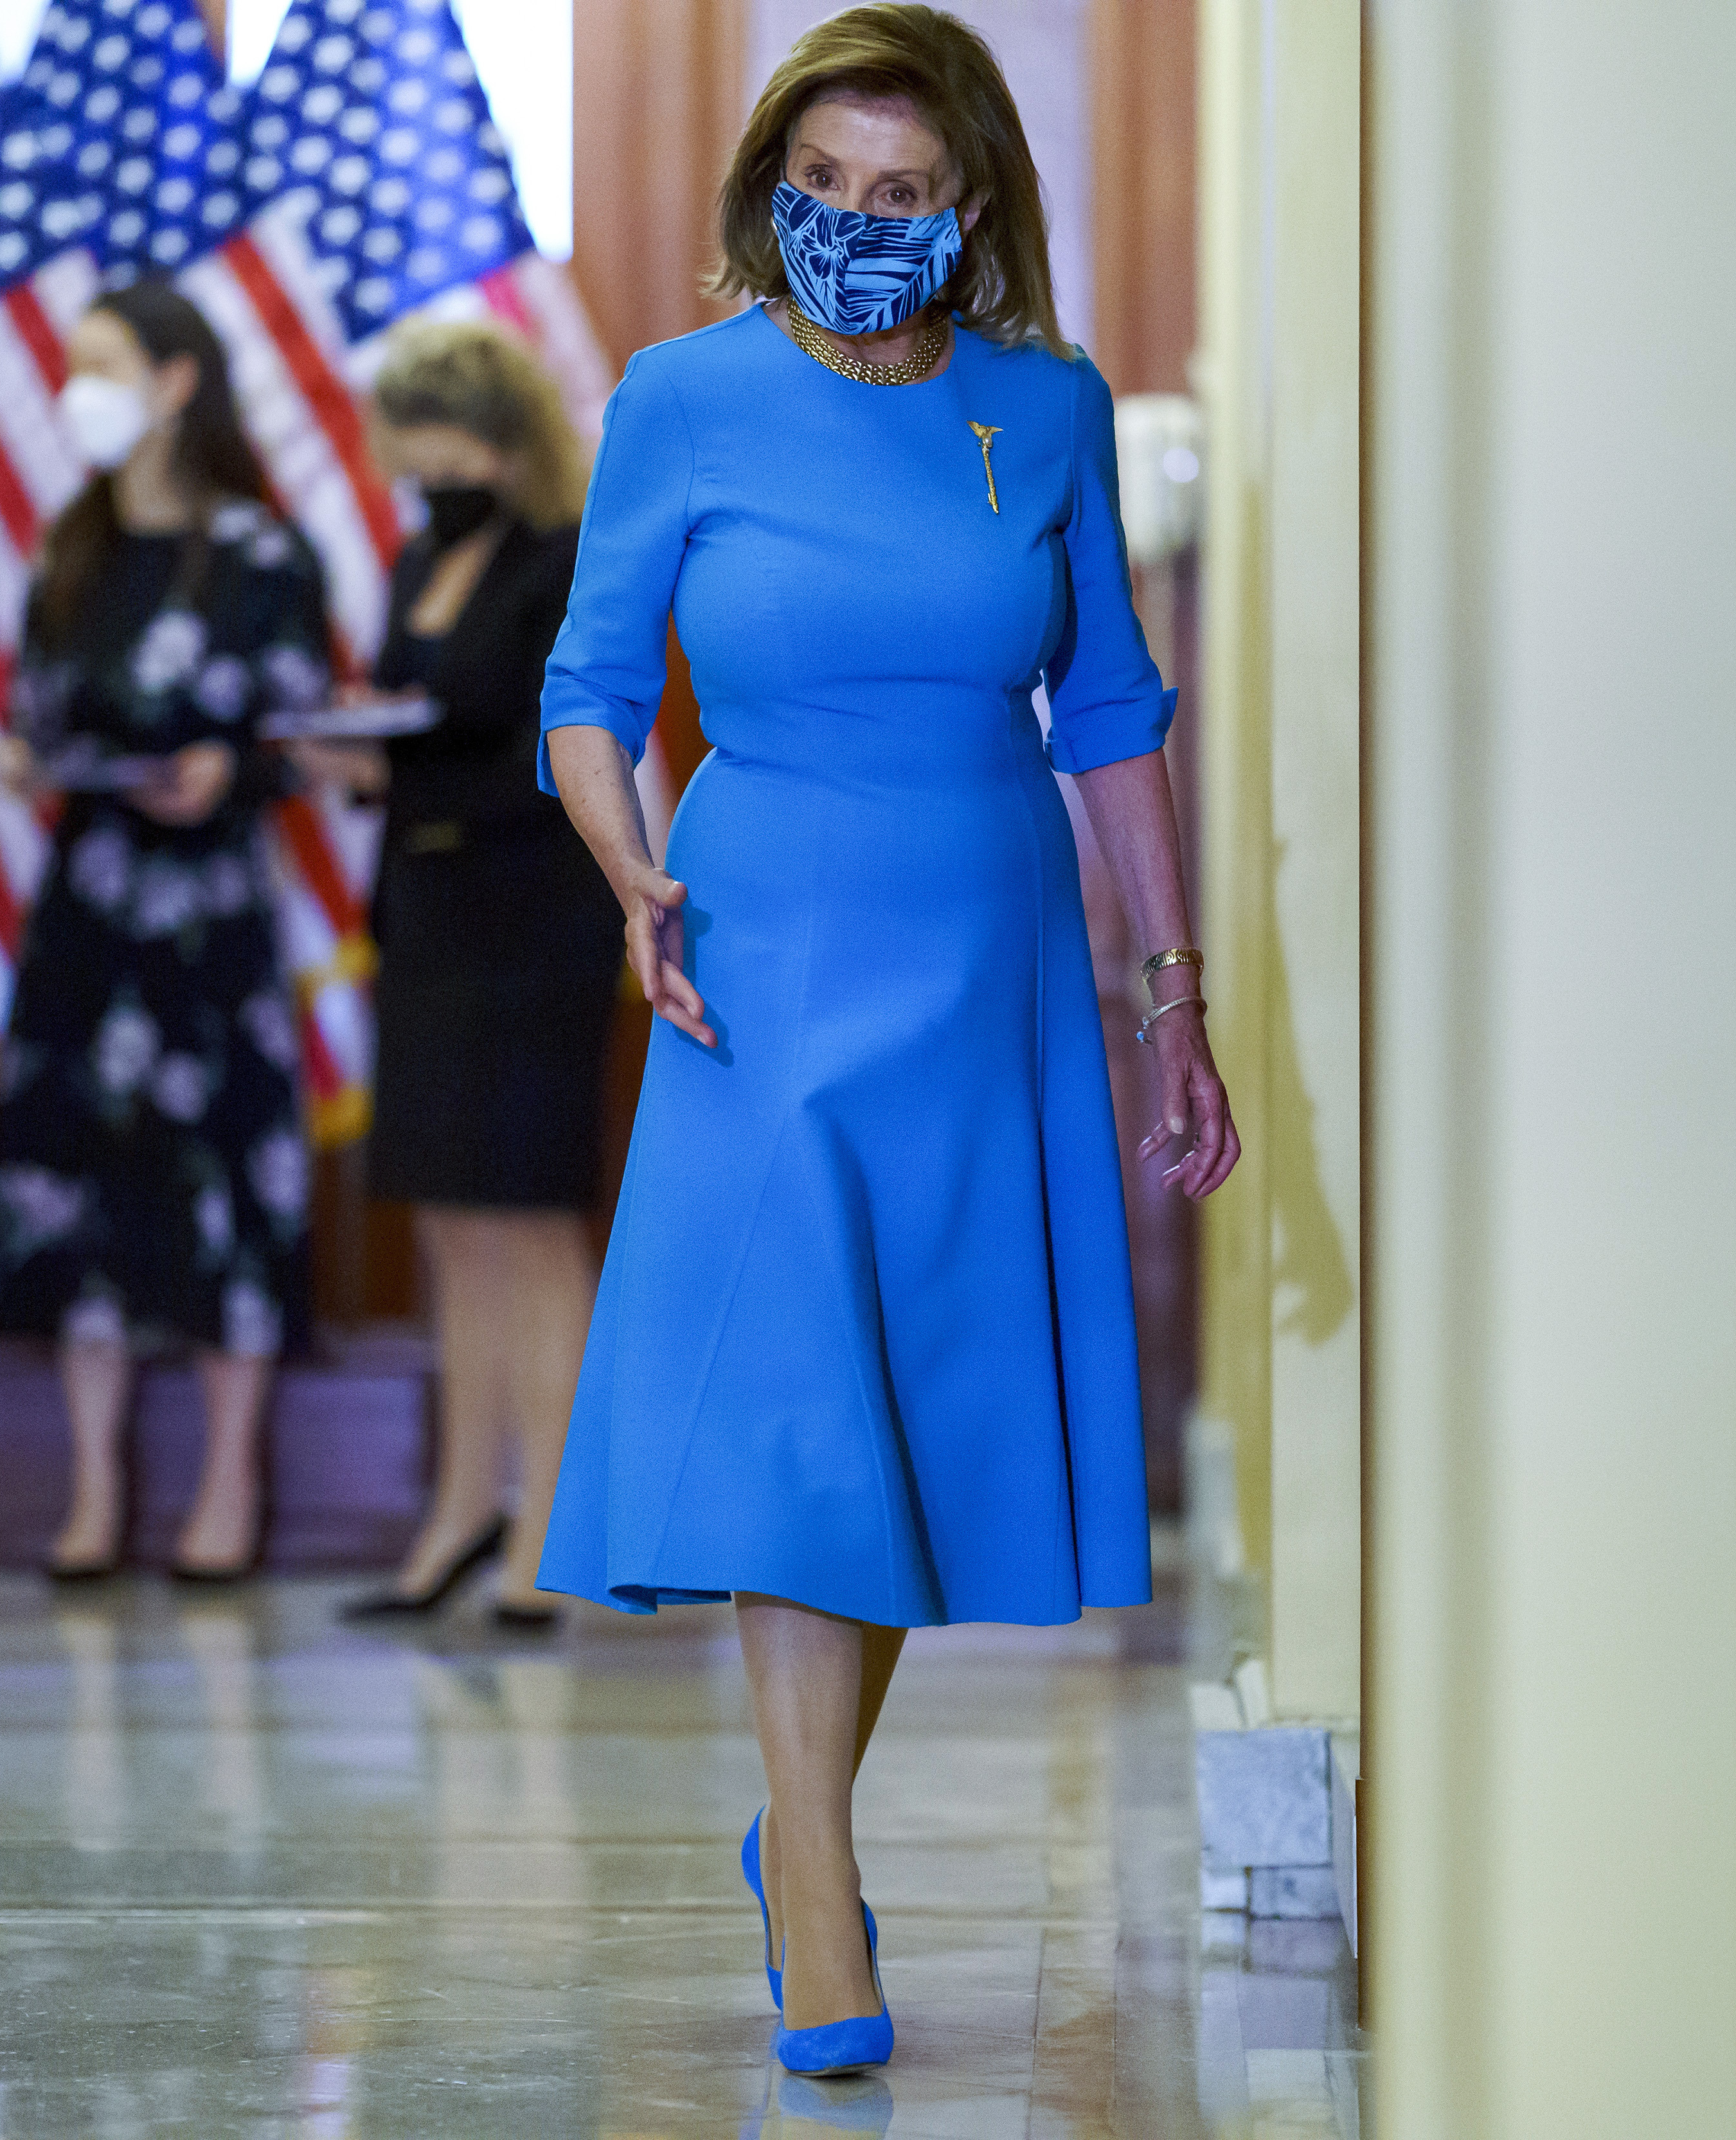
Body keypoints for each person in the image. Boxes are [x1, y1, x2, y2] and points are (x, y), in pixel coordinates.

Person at [533, 3, 1241, 2080]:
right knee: (789, 1399)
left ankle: (800, 1829)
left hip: (987, 943)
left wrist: (1171, 1000)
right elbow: (587, 684)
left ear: (972, 212)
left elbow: (1109, 714)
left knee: (907, 1413)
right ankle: (824, 1880)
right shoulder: (681, 398)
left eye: (902, 194)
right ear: (771, 196)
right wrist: (626, 867)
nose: (857, 221)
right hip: (755, 935)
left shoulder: (1049, 406)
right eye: (822, 187)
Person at [0, 280, 333, 1584]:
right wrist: (25, 756)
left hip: (212, 919)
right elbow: (37, 703)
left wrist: (231, 771)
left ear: (179, 382)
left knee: (226, 1183)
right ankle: (93, 1491)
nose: (80, 390)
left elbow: (305, 732)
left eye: (105, 365)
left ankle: (230, 1486)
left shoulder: (261, 556)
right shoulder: (70, 546)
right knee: (78, 1176)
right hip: (88, 910)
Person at [294, 323, 621, 1631]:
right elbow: (408, 716)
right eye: (414, 455)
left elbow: (559, 749)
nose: (433, 476)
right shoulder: (418, 555)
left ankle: (557, 1522)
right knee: (446, 1219)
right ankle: (457, 1514)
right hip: (425, 912)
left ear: (506, 445)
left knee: (532, 1222)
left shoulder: (562, 564)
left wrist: (395, 766)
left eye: (453, 450)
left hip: (535, 916)